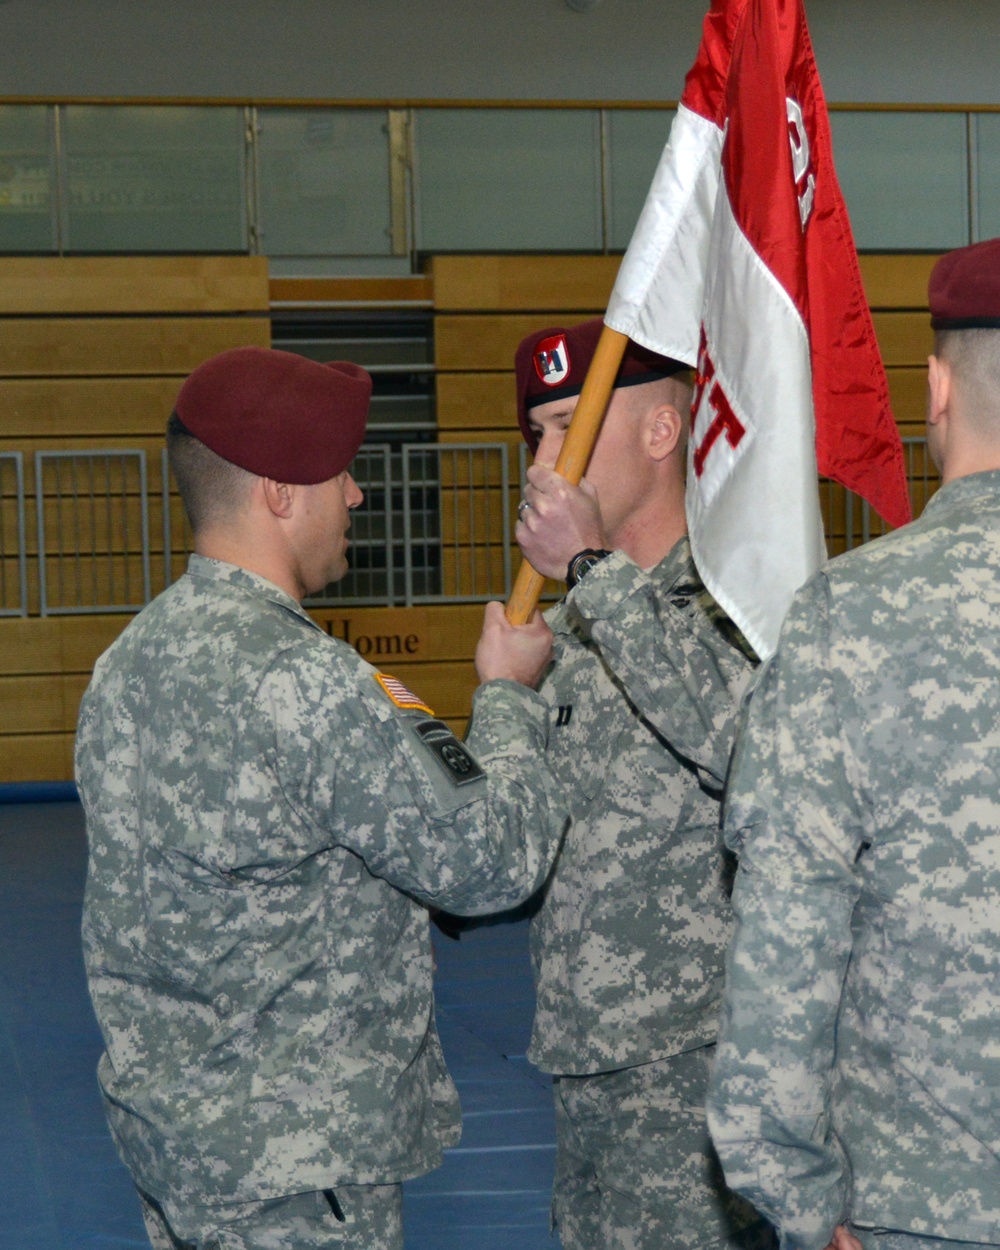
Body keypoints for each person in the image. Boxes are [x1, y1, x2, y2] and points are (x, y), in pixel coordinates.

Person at [76, 346, 568, 1250]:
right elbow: (494, 860)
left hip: (179, 1149)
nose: (356, 497)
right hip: (296, 1171)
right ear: (278, 493)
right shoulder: (306, 682)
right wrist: (507, 698)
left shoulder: (124, 667)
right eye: (342, 475)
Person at [706, 239, 1000, 1250]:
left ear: (935, 388)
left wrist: (787, 1183)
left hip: (919, 1201)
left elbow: (788, 932)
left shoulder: (851, 615)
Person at [498, 317, 764, 1250]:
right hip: (582, 1058)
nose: (542, 460)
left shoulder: (742, 604)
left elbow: (746, 751)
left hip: (703, 1062)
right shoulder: (570, 633)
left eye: (567, 424)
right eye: (534, 432)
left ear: (662, 434)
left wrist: (587, 572)